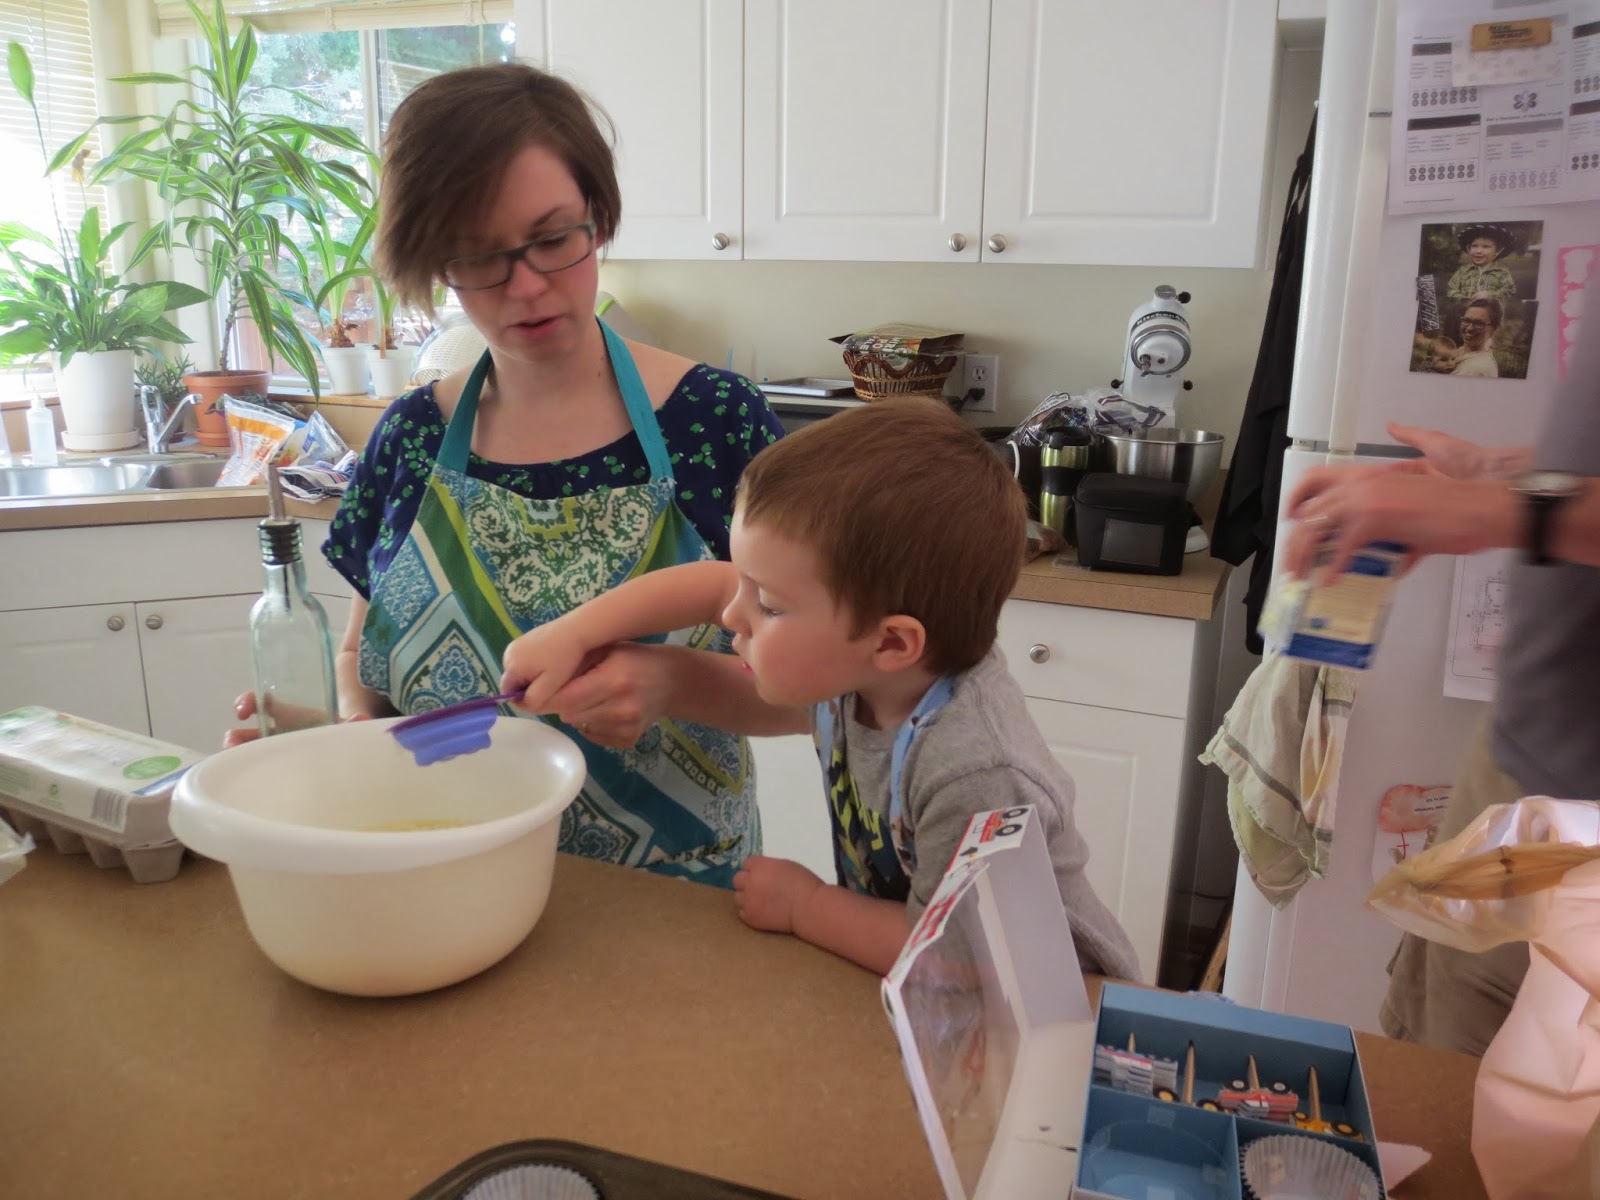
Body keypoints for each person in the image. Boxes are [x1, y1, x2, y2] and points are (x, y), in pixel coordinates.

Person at [230, 64, 785, 889]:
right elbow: (362, 660)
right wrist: (341, 738)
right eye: (478, 256)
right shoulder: (411, 437)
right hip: (443, 878)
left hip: (672, 902)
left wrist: (675, 683)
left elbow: (826, 698)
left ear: (599, 217)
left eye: (553, 239)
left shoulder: (715, 423)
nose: (525, 286)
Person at [500, 398, 1142, 980]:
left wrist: (806, 906)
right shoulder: (870, 668)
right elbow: (713, 587)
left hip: (1052, 1005)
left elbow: (957, 956)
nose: (732, 615)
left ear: (892, 643)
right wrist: (573, 634)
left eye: (769, 606)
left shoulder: (973, 769)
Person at [1282, 286, 1600, 1055]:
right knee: (1437, 1048)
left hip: (1581, 813)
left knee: (1505, 1102)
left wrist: (1503, 510)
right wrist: (1498, 474)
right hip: (1528, 764)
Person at [1445, 223, 1518, 303]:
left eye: (1485, 246)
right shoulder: (1463, 271)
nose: (1478, 251)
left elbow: (1509, 291)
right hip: (1466, 308)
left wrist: (1489, 295)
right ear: (1469, 249)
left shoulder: (1502, 272)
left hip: (1491, 309)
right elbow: (1451, 289)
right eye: (1474, 246)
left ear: (1497, 251)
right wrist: (1466, 299)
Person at [1450, 298, 1502, 378]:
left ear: (1493, 328)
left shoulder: (1477, 369)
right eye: (1466, 320)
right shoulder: (1461, 351)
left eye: (1479, 323)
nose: (1469, 328)